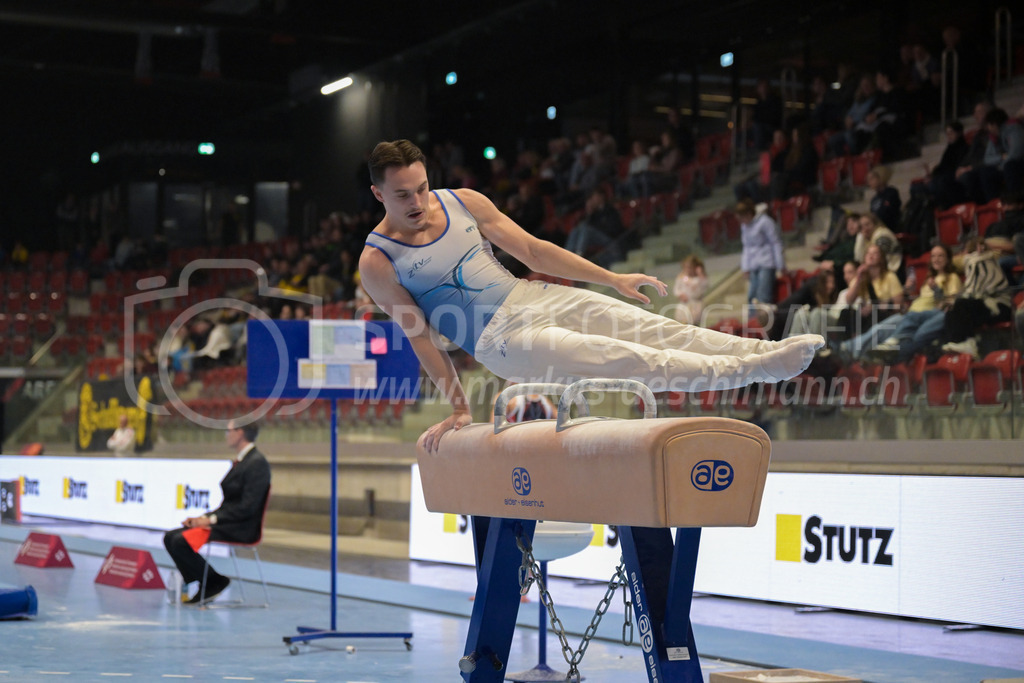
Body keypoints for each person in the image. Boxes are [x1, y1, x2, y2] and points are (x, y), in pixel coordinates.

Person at [358, 140, 824, 451]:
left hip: (533, 295)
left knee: (658, 328)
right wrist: (460, 406)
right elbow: (421, 338)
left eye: (421, 187)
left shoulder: (463, 201)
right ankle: (755, 370)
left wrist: (611, 279)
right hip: (500, 342)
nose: (417, 202)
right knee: (625, 358)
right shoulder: (379, 262)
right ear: (378, 194)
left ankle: (767, 351)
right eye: (403, 195)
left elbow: (535, 250)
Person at [163, 420, 271, 605]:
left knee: (180, 541)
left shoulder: (256, 463)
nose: (226, 435)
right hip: (228, 521)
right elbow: (228, 504)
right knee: (170, 537)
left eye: (229, 431)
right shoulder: (243, 461)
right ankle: (207, 581)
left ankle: (214, 581)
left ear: (240, 432)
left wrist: (211, 520)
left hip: (242, 527)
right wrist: (203, 518)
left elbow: (247, 508)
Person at [736, 198, 785, 307]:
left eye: (742, 217)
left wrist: (780, 265)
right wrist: (745, 267)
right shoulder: (744, 226)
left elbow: (775, 243)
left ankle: (763, 322)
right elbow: (746, 247)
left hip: (767, 262)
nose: (741, 221)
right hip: (754, 265)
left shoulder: (765, 222)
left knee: (763, 296)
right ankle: (752, 322)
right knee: (752, 296)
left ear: (749, 214)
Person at [672, 255, 708, 325]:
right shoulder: (681, 277)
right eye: (685, 267)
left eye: (689, 267)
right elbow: (676, 289)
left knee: (694, 324)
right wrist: (680, 294)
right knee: (683, 324)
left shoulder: (699, 278)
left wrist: (700, 274)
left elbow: (704, 287)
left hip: (696, 304)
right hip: (684, 304)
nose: (687, 270)